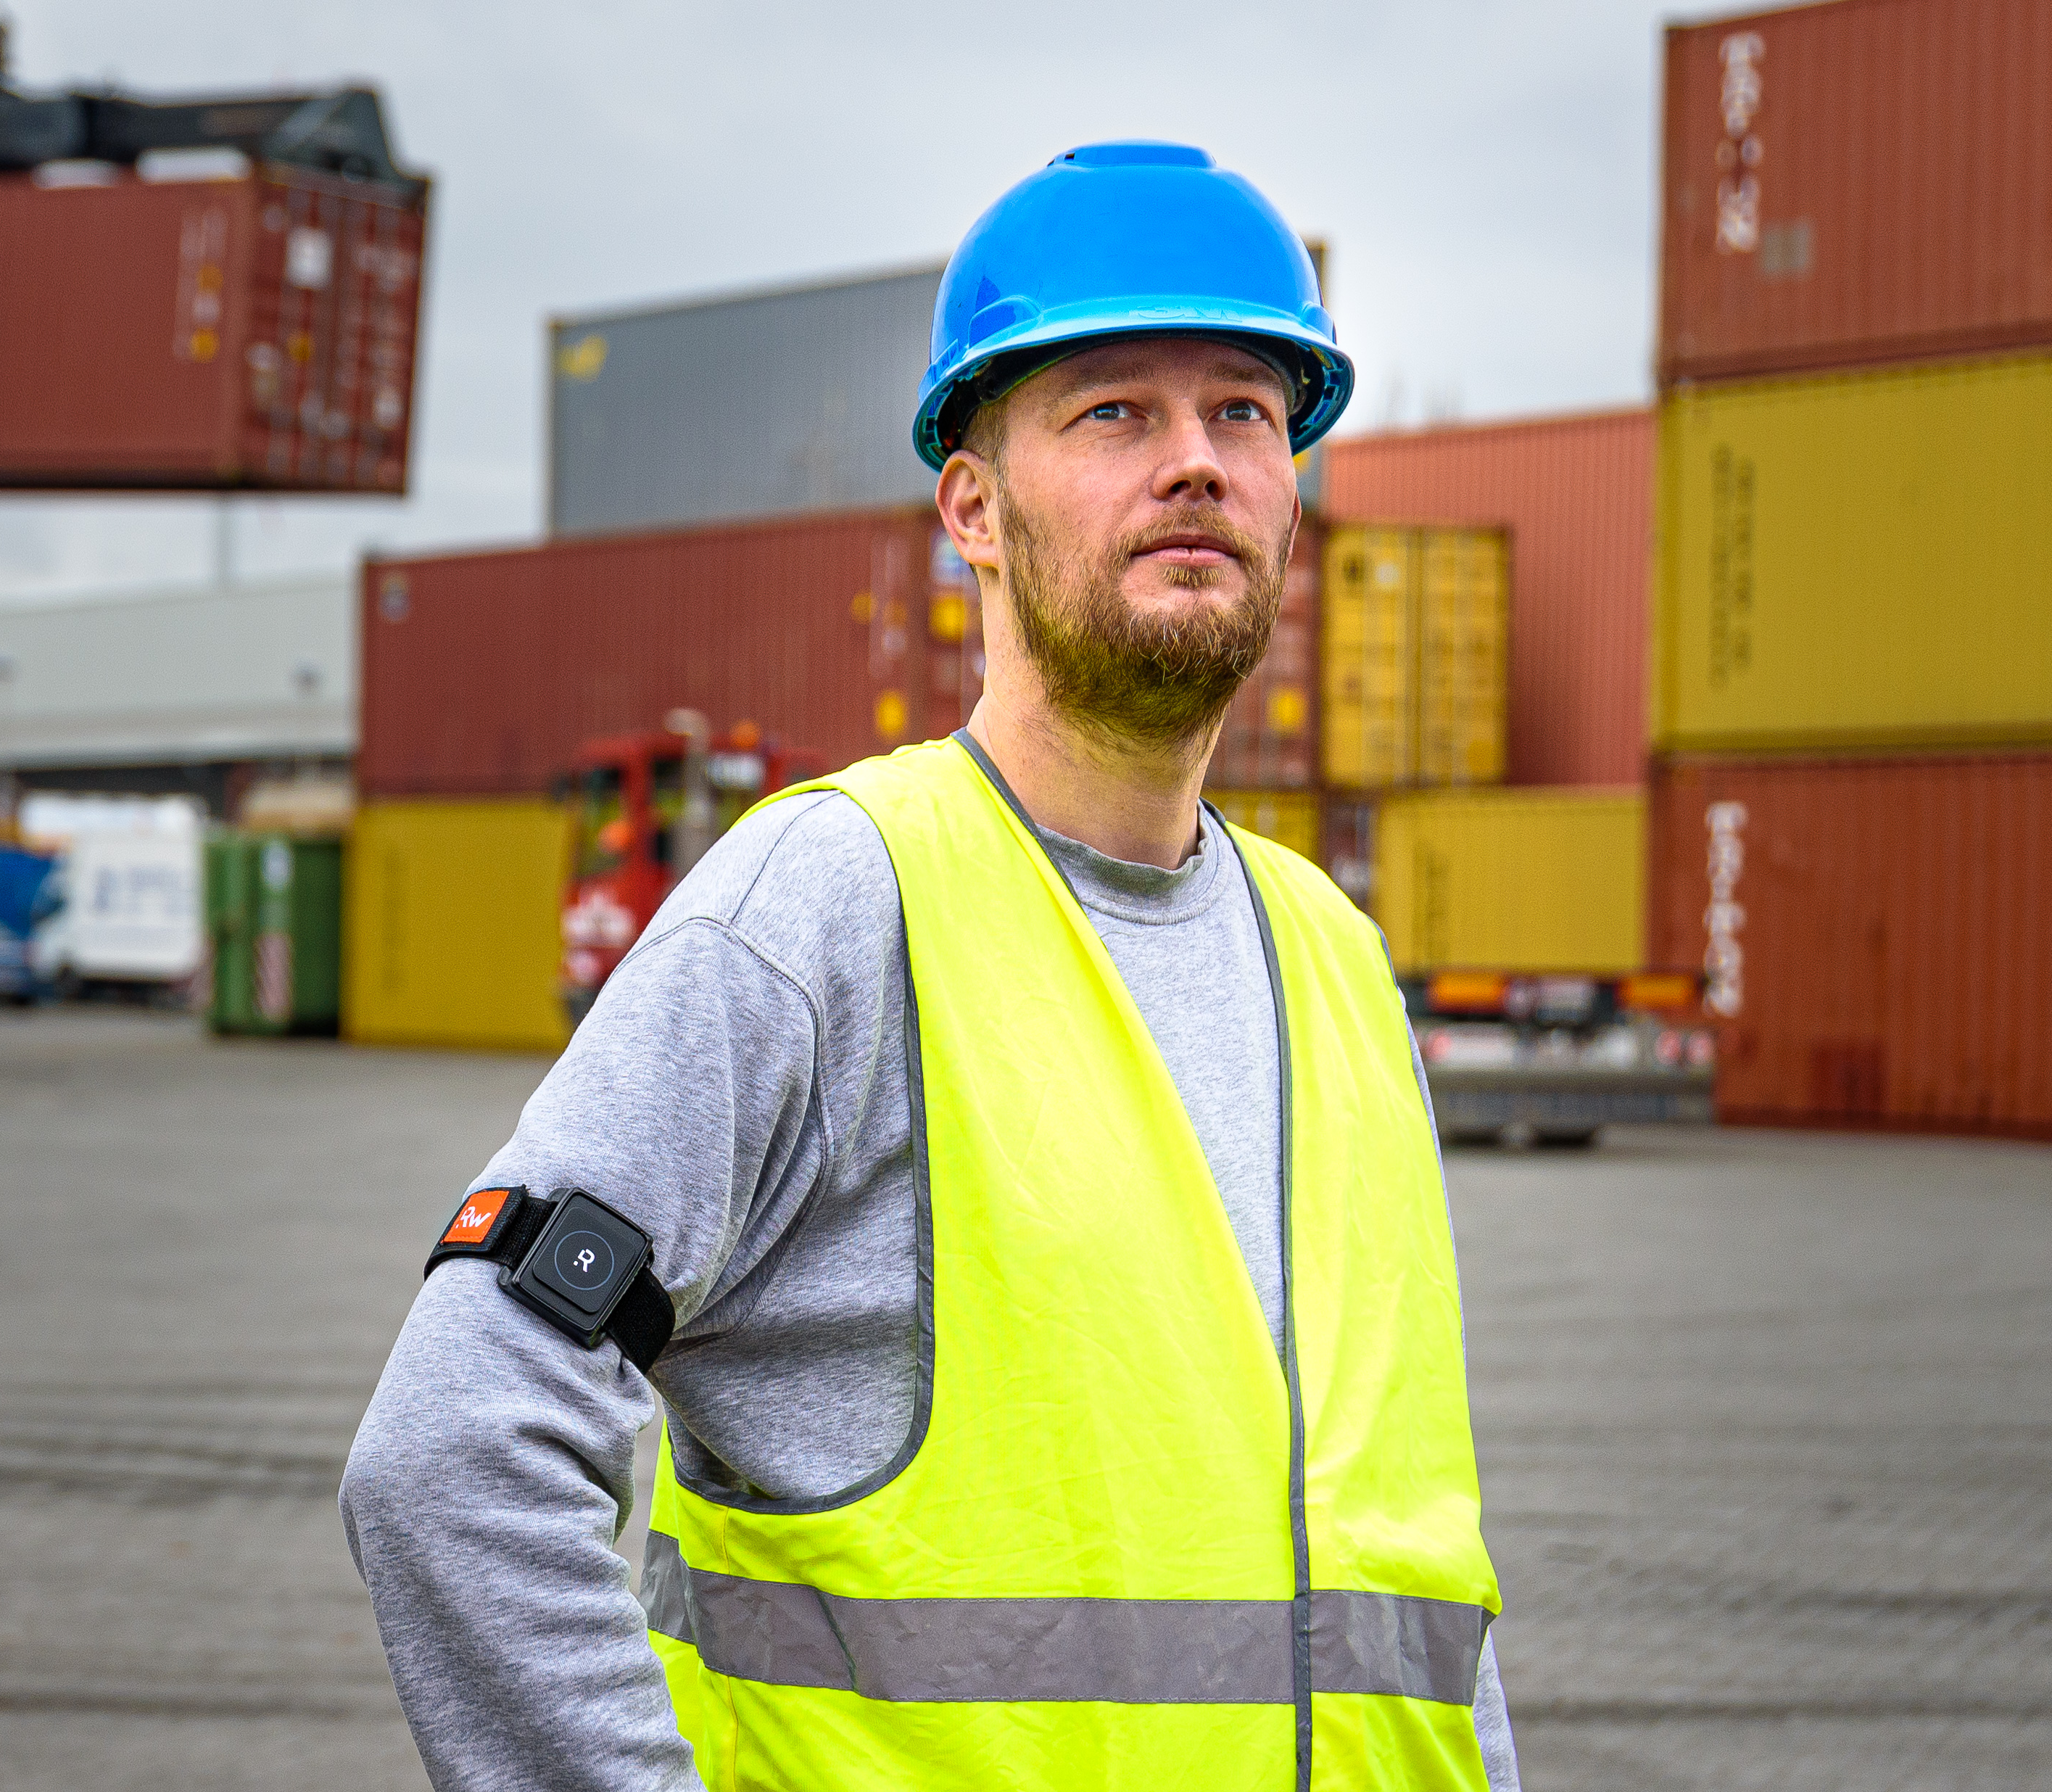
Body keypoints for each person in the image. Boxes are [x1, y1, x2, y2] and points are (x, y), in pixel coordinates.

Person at [342, 141, 1521, 1791]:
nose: (1194, 462)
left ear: (1294, 489)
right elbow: (449, 1462)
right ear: (971, 504)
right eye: (1113, 412)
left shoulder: (1334, 963)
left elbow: (1415, 1594)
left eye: (1244, 412)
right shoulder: (828, 908)